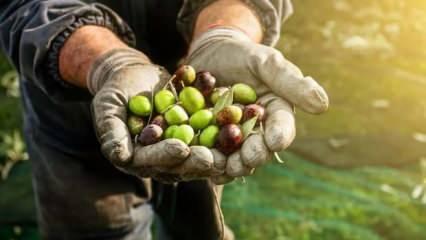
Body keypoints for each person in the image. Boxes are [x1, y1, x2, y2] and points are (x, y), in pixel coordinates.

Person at [0, 0, 328, 239]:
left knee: (199, 226)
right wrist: (108, 62)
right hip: (71, 111)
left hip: (202, 77)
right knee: (95, 231)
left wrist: (225, 31)